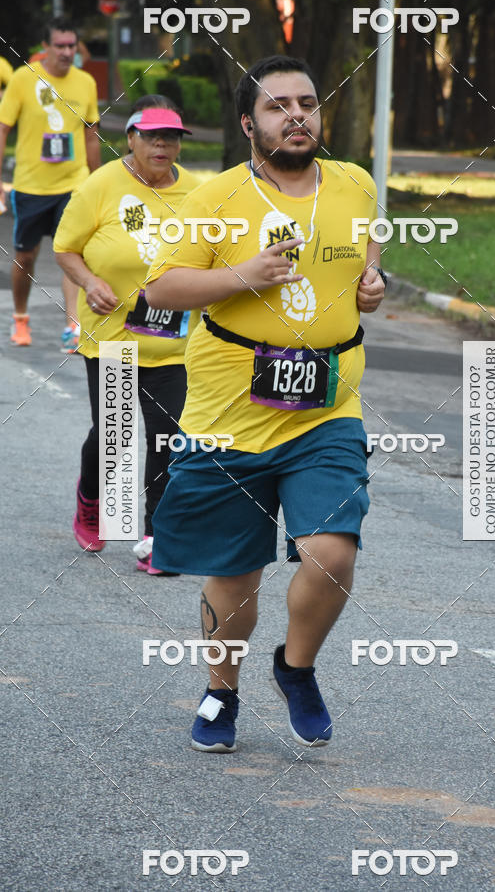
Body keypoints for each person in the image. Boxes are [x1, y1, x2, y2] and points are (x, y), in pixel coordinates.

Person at [145, 55, 386, 752]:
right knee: (235, 575)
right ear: (249, 124)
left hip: (326, 409)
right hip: (229, 415)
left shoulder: (353, 182)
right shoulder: (215, 198)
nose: (297, 116)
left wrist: (373, 281)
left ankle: (296, 668)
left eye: (307, 103)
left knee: (331, 552)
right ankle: (221, 691)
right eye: (278, 106)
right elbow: (160, 288)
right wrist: (244, 275)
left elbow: (367, 244)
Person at [54, 97, 200, 572]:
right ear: (131, 138)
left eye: (171, 137)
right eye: (152, 136)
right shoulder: (101, 185)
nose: (162, 145)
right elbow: (66, 248)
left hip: (174, 340)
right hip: (114, 337)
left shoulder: (200, 194)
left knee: (167, 437)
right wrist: (90, 282)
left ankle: (158, 536)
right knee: (113, 434)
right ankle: (92, 500)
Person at [0, 17, 100, 350]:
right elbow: (3, 128)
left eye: (72, 45)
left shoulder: (85, 82)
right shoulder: (23, 78)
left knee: (72, 254)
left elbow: (91, 134)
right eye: (60, 46)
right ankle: (20, 317)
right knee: (25, 257)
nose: (66, 52)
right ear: (45, 47)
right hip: (31, 186)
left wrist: (97, 180)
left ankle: (74, 325)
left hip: (73, 184)